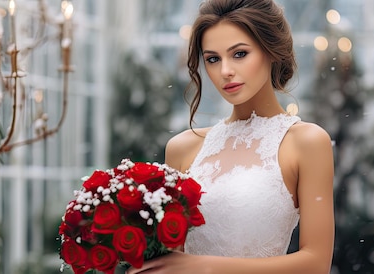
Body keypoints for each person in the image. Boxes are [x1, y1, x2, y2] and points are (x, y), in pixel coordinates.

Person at [128, 0, 335, 273]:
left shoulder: (306, 142)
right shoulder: (182, 148)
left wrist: (205, 267)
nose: (225, 71)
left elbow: (316, 263)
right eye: (213, 59)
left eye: (239, 54)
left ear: (271, 50)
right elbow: (170, 260)